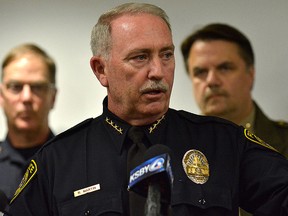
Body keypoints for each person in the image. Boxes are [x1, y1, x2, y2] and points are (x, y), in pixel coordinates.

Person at [7, 3, 288, 216]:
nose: (158, 71)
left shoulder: (223, 142)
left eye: (166, 55)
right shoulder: (57, 161)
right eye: (140, 57)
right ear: (101, 69)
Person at [180, 23, 288, 216]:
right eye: (200, 72)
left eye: (225, 68)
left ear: (251, 74)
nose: (211, 81)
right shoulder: (175, 149)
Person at [0, 43, 57, 203]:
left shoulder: (75, 163)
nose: (26, 97)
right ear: (1, 97)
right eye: (15, 87)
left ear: (53, 97)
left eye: (37, 87)